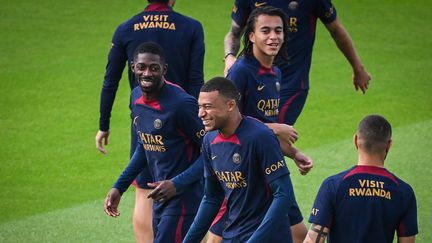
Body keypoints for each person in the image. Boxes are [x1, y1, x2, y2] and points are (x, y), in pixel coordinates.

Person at [95, 0, 204, 241]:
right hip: (164, 193)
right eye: (141, 68)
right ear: (133, 68)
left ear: (164, 69)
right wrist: (118, 186)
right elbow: (145, 148)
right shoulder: (137, 100)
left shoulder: (126, 28)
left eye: (154, 68)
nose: (146, 73)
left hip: (184, 194)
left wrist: (104, 124)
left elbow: (212, 149)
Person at [183, 77, 296, 242]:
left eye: (208, 107)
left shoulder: (260, 137)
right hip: (233, 235)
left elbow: (284, 194)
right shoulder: (209, 141)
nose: (201, 113)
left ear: (230, 105)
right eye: (200, 107)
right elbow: (212, 197)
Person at [224, 0, 371, 125]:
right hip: (253, 80)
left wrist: (358, 68)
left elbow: (336, 30)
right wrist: (229, 57)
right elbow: (234, 33)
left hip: (291, 83)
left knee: (271, 139)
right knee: (245, 132)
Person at [304, 115, 418, 243]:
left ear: (356, 140)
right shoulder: (403, 192)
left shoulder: (333, 185)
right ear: (389, 145)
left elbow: (312, 240)